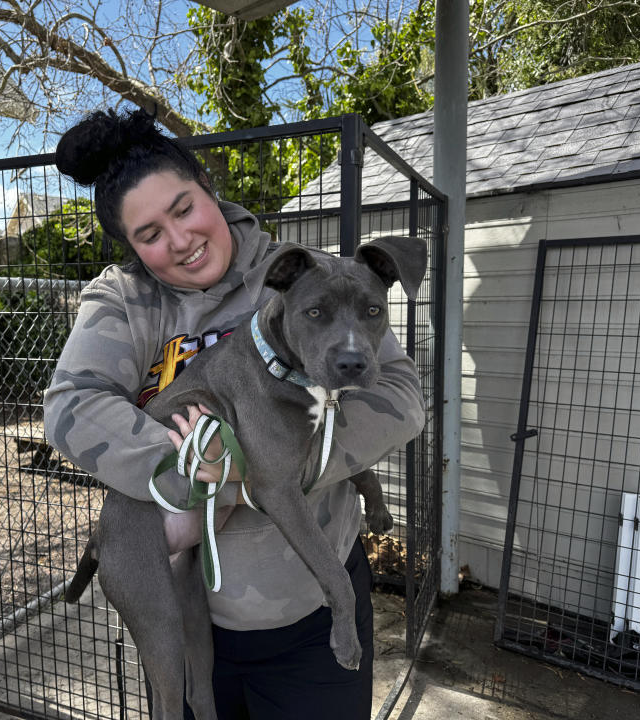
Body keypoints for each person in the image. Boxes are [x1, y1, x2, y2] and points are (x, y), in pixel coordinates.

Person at [42, 108, 425, 719]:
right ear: (132, 249)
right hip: (192, 607)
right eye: (149, 235)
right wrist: (190, 468)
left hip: (308, 610)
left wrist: (258, 473)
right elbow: (71, 408)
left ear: (209, 190)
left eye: (184, 208)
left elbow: (401, 398)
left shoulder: (303, 273)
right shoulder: (126, 300)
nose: (180, 239)